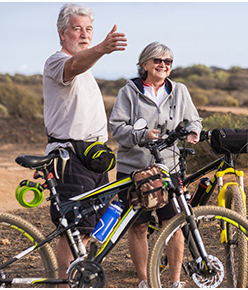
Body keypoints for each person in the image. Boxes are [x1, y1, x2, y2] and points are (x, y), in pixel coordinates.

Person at [42, 3, 127, 286]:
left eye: (89, 29)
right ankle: (66, 283)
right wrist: (102, 48)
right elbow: (73, 65)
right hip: (69, 158)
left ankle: (76, 279)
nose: (84, 34)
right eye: (77, 29)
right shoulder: (56, 61)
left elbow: (82, 64)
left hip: (93, 158)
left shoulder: (88, 71)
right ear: (62, 34)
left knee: (89, 226)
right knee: (72, 229)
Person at [109, 42, 202, 288]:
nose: (163, 65)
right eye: (157, 61)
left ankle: (174, 282)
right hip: (134, 170)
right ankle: (144, 280)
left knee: (174, 226)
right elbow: (117, 129)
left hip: (168, 169)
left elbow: (194, 119)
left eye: (168, 62)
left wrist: (193, 130)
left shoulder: (179, 90)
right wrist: (143, 136)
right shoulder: (128, 92)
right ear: (144, 64)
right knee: (138, 227)